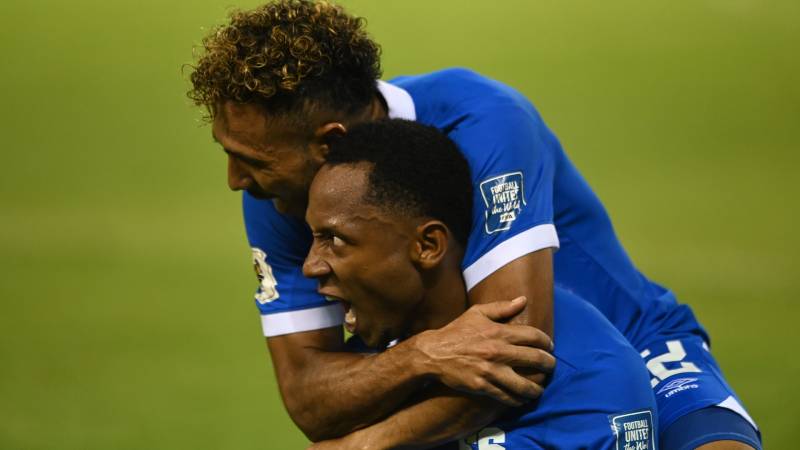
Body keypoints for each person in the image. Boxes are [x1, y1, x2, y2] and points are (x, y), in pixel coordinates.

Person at [187, 1, 761, 448]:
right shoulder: (279, 193)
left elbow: (512, 353)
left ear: (328, 144)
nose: (236, 180)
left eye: (253, 160)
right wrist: (418, 357)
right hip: (448, 384)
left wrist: (368, 441)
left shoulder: (482, 120)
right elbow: (310, 399)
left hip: (628, 349)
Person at [303, 118, 660, 449]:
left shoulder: (591, 380)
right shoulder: (374, 371)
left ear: (427, 246)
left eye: (334, 239)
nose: (310, 266)